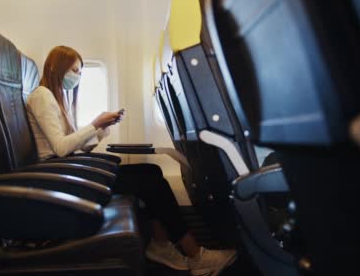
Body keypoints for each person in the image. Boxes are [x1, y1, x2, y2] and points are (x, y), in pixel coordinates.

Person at [26, 46, 237, 275]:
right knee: (148, 182)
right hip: (62, 177)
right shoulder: (42, 96)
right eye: (74, 70)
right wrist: (95, 123)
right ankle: (195, 255)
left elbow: (75, 146)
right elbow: (60, 147)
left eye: (80, 72)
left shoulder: (59, 100)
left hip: (71, 169)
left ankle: (161, 244)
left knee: (152, 171)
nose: (77, 76)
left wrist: (102, 129)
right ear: (56, 67)